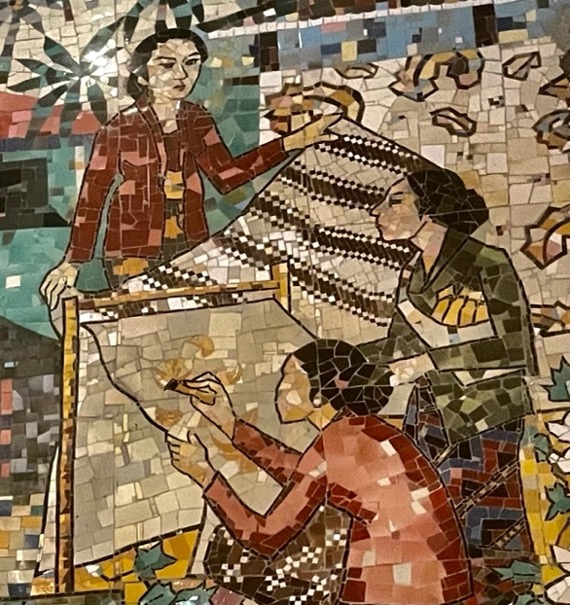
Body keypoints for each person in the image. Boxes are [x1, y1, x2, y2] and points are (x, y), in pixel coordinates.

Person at [40, 28, 340, 308]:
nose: (181, 74)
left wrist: (291, 142)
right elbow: (92, 197)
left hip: (191, 240)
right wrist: (73, 261)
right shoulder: (119, 129)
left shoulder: (197, 119)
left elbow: (226, 176)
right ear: (142, 75)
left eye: (191, 63)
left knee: (190, 313)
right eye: (166, 64)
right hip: (132, 247)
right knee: (139, 318)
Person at [165, 340, 477, 605]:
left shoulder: (336, 440)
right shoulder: (360, 430)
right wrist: (229, 423)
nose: (280, 388)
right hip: (440, 586)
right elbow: (304, 475)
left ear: (318, 394)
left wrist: (204, 476)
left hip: (388, 594)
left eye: (289, 378)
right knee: (319, 531)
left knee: (226, 553)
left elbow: (265, 538)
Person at [363, 168, 538, 603]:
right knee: (430, 526)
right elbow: (396, 346)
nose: (378, 211)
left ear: (430, 210)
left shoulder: (486, 262)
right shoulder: (413, 274)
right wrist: (336, 360)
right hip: (428, 416)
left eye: (395, 200)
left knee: (483, 531)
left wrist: (431, 360)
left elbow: (515, 348)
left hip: (484, 416)